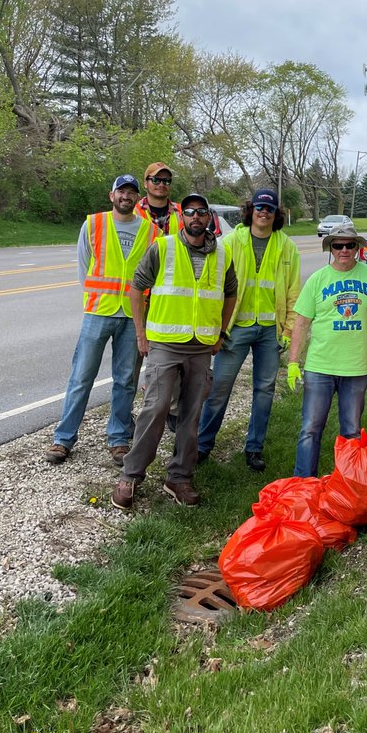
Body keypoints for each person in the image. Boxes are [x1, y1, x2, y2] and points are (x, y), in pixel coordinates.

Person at [112, 193, 237, 510]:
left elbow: (231, 293)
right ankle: (130, 475)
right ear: (182, 218)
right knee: (155, 408)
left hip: (201, 347)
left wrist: (221, 332)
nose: (196, 217)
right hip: (165, 345)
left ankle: (179, 477)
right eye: (190, 212)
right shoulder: (163, 247)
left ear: (209, 218)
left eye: (201, 212)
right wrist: (140, 333)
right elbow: (137, 288)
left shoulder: (222, 254)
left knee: (191, 415)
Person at [45, 174, 159, 465]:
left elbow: (153, 275)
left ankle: (118, 439)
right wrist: (94, 298)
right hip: (98, 312)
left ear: (137, 198)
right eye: (121, 191)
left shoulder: (151, 232)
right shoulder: (93, 224)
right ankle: (63, 438)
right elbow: (84, 268)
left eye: (131, 192)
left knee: (125, 380)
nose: (126, 196)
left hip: (133, 315)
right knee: (81, 377)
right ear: (112, 196)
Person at [196, 188, 301, 471]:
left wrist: (288, 331)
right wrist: (216, 328)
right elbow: (213, 285)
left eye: (269, 209)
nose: (264, 212)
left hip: (270, 331)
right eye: (259, 207)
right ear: (250, 210)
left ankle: (254, 448)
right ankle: (202, 445)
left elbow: (293, 292)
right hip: (235, 328)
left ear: (276, 214)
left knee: (264, 390)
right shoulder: (231, 242)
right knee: (219, 389)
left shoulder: (287, 247)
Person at [288, 220, 367, 477]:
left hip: (356, 367)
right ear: (331, 248)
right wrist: (293, 362)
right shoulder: (318, 279)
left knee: (351, 431)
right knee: (310, 429)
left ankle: (348, 484)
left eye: (349, 245)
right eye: (338, 246)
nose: (344, 250)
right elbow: (301, 322)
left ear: (358, 247)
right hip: (320, 367)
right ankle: (304, 483)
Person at [135, 162, 181, 233]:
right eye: (156, 180)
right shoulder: (134, 212)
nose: (161, 185)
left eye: (166, 181)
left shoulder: (182, 212)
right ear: (145, 183)